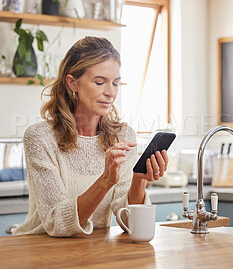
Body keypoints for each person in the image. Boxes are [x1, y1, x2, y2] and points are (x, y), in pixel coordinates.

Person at [13, 36, 169, 237]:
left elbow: (131, 223)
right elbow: (57, 224)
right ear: (72, 83)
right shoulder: (40, 138)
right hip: (40, 250)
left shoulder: (122, 136)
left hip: (91, 252)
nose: (110, 93)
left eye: (115, 83)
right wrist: (105, 180)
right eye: (99, 82)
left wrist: (139, 179)